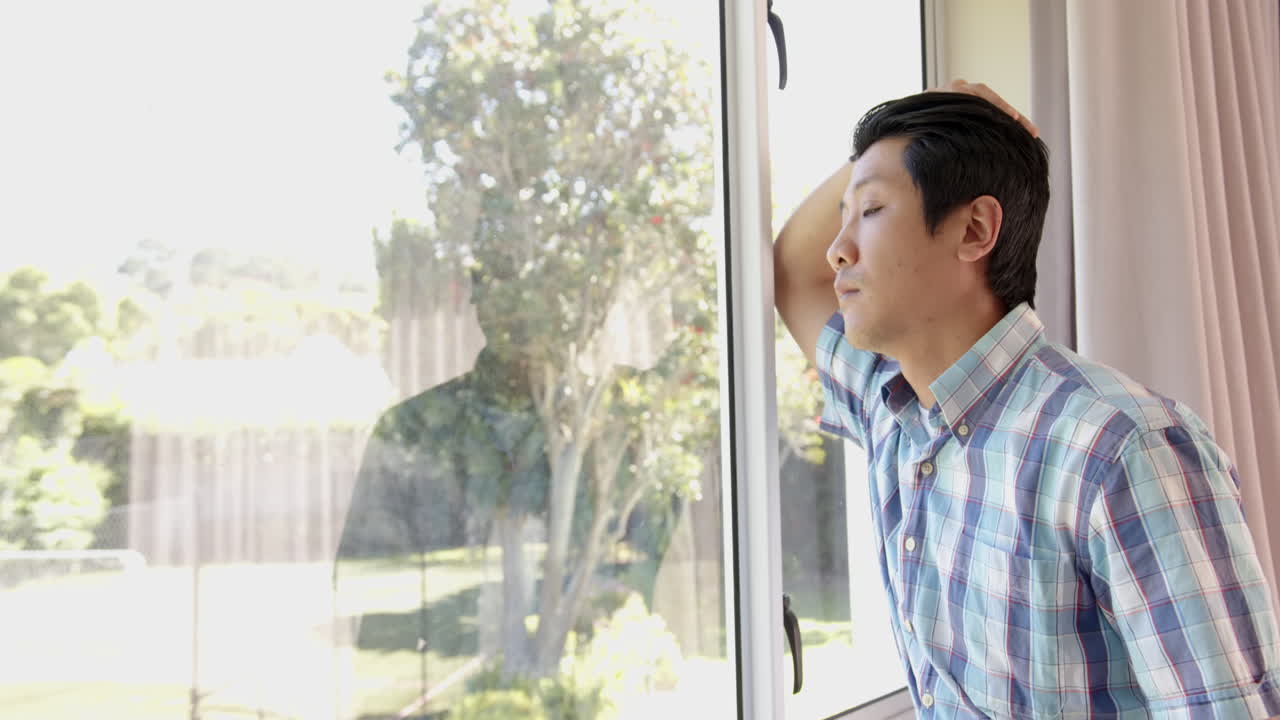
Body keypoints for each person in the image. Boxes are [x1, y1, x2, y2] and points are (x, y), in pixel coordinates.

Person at [774, 81, 1280, 718]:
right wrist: (926, 120)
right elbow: (793, 270)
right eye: (843, 216)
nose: (838, 248)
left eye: (871, 212)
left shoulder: (1123, 447)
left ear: (976, 228)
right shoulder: (894, 410)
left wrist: (943, 140)